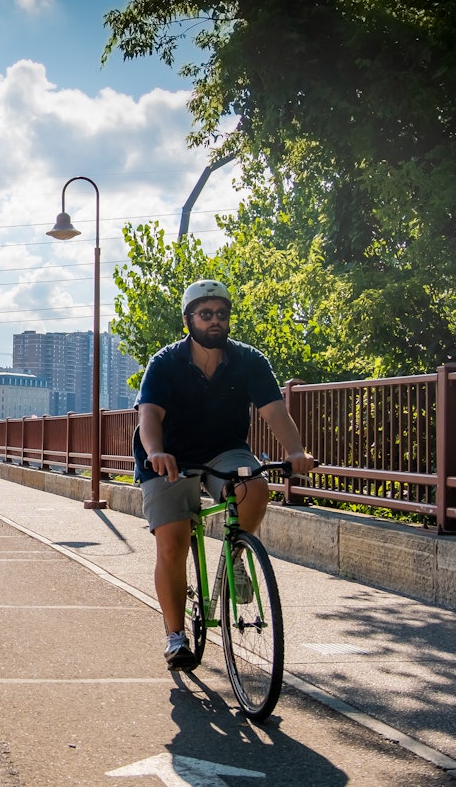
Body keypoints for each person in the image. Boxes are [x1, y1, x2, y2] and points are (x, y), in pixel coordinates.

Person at [134, 279, 316, 672]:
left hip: (224, 449)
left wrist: (295, 451)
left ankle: (234, 554)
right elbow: (149, 415)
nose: (215, 321)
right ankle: (175, 636)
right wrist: (156, 452)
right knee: (173, 542)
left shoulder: (250, 360)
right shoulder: (166, 362)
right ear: (189, 320)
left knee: (254, 487)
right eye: (205, 314)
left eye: (222, 314)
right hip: (169, 454)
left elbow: (274, 411)